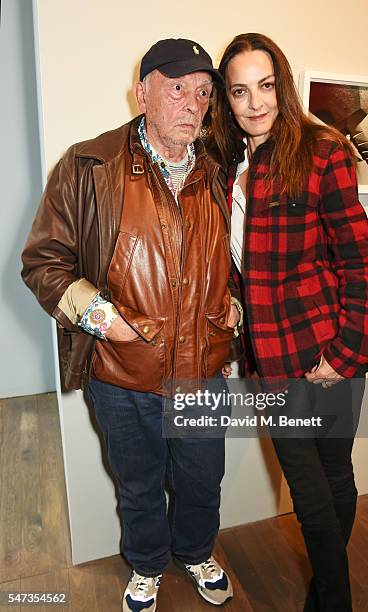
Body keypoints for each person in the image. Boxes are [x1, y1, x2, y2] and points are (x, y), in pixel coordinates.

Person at [21, 38, 240, 612]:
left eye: (203, 93)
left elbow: (236, 261)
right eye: (177, 89)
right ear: (141, 93)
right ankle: (146, 565)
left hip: (203, 375)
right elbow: (43, 262)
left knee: (201, 480)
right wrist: (102, 318)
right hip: (120, 376)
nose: (193, 104)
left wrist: (233, 304)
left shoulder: (219, 174)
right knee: (138, 484)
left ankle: (194, 552)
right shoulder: (88, 165)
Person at [210, 33, 368, 611]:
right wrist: (234, 300)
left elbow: (359, 261)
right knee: (311, 491)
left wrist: (348, 353)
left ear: (281, 85)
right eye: (239, 91)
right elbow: (242, 258)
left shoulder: (322, 151)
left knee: (331, 478)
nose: (255, 103)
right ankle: (334, 594)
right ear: (226, 100)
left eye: (264, 86)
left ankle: (331, 598)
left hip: (327, 350)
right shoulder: (229, 164)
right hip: (271, 360)